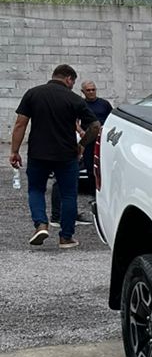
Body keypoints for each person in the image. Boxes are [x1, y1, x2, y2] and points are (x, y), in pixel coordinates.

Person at [9, 64, 101, 249]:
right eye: (73, 82)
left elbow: (20, 124)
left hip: (38, 153)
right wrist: (82, 145)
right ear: (68, 79)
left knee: (36, 190)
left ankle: (41, 225)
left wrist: (14, 151)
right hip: (66, 154)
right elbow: (95, 126)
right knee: (68, 195)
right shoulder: (74, 99)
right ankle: (66, 238)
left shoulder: (33, 94)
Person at [51, 78, 112, 226]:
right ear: (83, 92)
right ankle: (59, 216)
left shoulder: (104, 104)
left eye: (93, 89)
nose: (91, 92)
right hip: (81, 142)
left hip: (99, 140)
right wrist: (81, 133)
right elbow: (74, 122)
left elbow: (111, 119)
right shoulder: (78, 104)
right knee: (71, 176)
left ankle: (68, 214)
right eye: (88, 90)